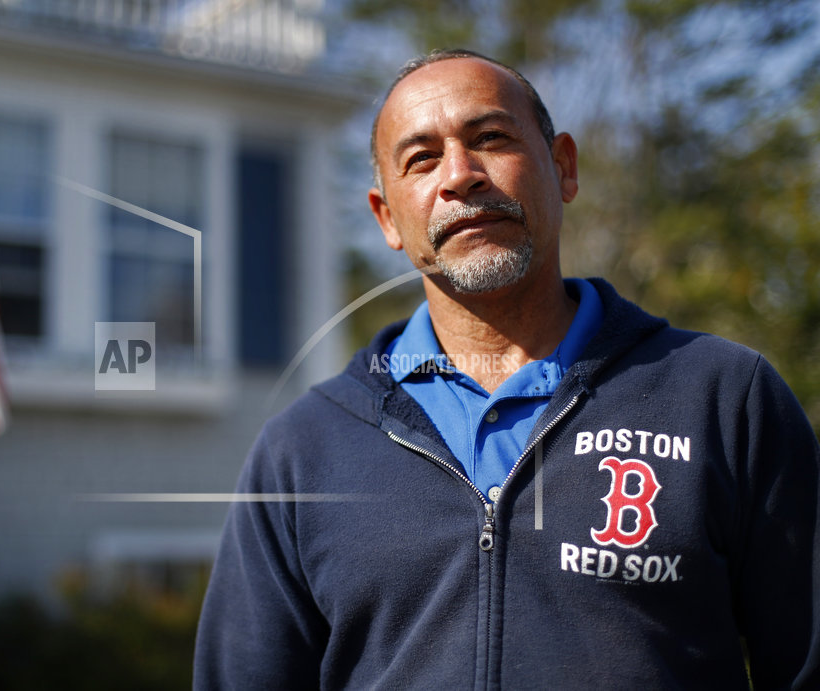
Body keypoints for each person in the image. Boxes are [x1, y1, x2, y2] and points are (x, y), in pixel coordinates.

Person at [193, 49, 820, 688]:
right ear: (387, 218)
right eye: (421, 159)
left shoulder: (725, 399)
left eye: (491, 138)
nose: (460, 176)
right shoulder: (301, 452)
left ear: (563, 167)